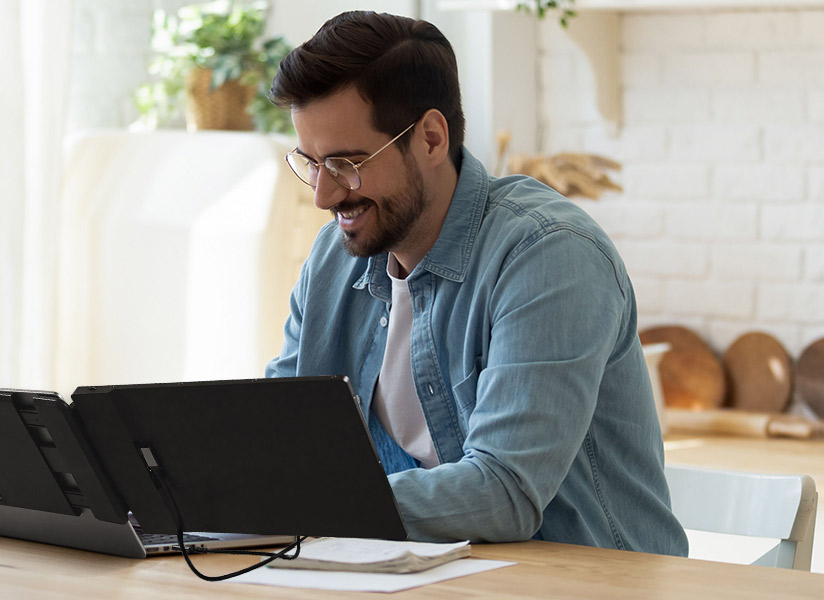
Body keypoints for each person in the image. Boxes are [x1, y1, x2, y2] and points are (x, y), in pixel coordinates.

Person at [264, 11, 687, 556]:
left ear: (432, 138)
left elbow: (505, 491)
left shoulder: (549, 254)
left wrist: (306, 505)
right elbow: (279, 441)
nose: (323, 195)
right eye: (312, 162)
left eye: (346, 163)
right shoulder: (333, 259)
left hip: (589, 585)